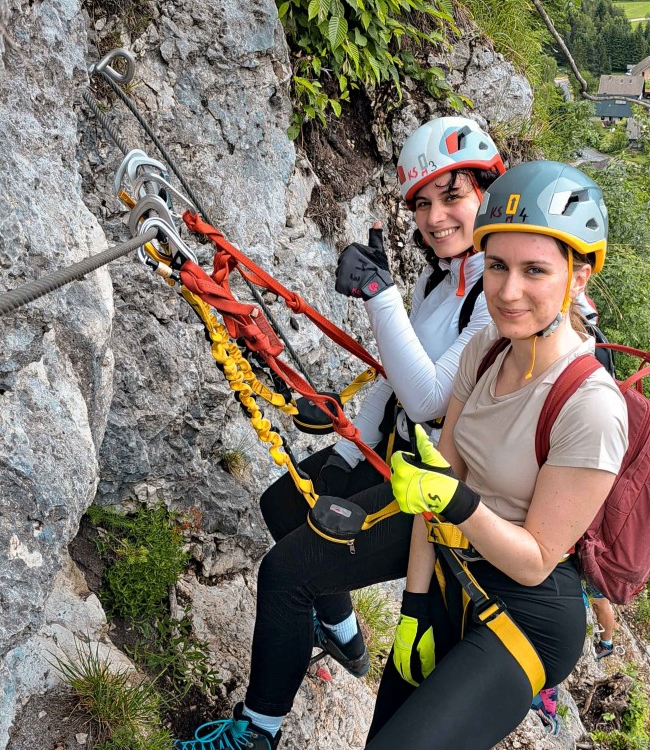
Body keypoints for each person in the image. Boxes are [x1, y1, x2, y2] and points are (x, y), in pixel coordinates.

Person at [175, 117, 506, 750]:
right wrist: (349, 432)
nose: (436, 218)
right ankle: (343, 632)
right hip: (394, 451)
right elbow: (397, 370)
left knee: (285, 572)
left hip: (437, 492)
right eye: (424, 203)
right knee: (283, 502)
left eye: (453, 195)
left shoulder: (497, 291)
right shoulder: (443, 276)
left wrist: (380, 296)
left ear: (488, 189)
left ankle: (258, 733)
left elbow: (432, 397)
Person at [364, 160, 629, 749]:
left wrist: (455, 502)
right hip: (453, 574)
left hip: (530, 615)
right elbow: (442, 479)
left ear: (578, 277)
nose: (509, 292)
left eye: (535, 270)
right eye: (497, 267)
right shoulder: (485, 347)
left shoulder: (591, 406)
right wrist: (412, 607)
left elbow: (535, 558)